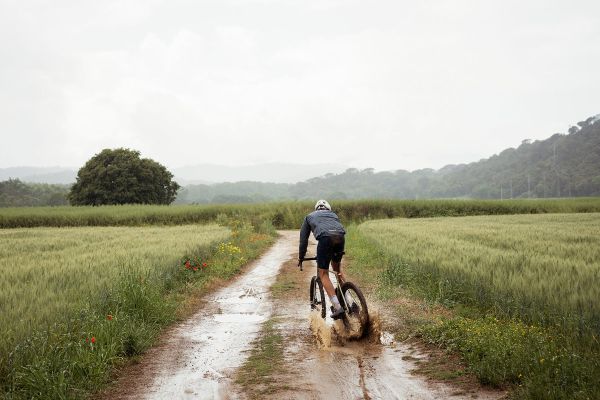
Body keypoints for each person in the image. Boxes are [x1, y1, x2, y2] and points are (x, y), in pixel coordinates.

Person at [298, 199, 350, 319]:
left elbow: (303, 240)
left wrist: (301, 257)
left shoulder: (309, 217)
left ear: (316, 209)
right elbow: (337, 229)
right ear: (328, 209)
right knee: (337, 270)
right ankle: (350, 302)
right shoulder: (333, 215)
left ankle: (337, 307)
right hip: (340, 237)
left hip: (325, 239)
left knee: (323, 274)